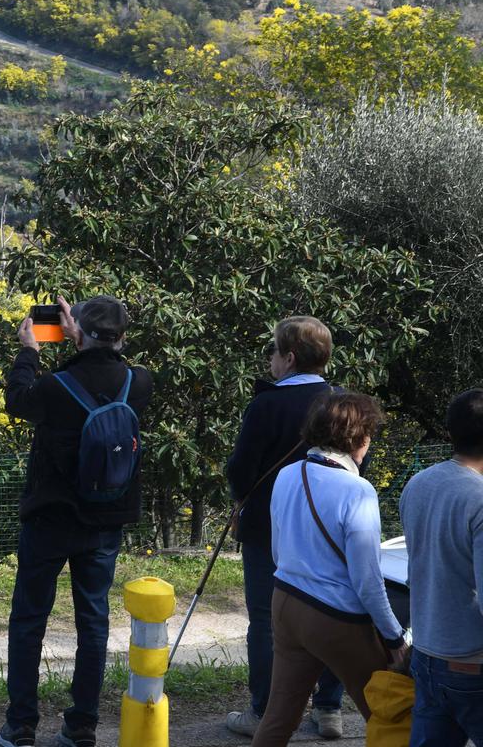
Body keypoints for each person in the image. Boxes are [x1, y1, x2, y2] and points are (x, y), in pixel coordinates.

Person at [0, 295, 153, 747]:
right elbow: (108, 371)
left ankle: (21, 725)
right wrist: (85, 337)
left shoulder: (53, 387)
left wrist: (31, 349)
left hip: (50, 520)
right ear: (123, 336)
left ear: (77, 332)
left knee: (29, 619)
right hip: (105, 523)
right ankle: (82, 725)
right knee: (93, 620)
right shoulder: (139, 383)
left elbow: (16, 400)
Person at [251, 392, 407, 747]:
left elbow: (278, 551)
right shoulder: (359, 490)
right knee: (390, 712)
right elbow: (367, 581)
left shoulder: (287, 474)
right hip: (336, 618)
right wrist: (394, 637)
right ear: (358, 437)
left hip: (286, 603)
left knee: (279, 717)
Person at [224, 316, 346, 739]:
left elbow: (242, 469)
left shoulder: (266, 404)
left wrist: (242, 495)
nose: (270, 360)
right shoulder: (341, 402)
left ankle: (263, 709)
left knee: (265, 617)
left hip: (267, 526)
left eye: (273, 352)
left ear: (289, 357)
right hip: (326, 526)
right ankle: (329, 708)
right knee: (331, 608)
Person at [400, 388, 483, 746]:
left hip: (427, 654)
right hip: (472, 664)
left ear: (449, 433)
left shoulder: (417, 485)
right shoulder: (479, 497)